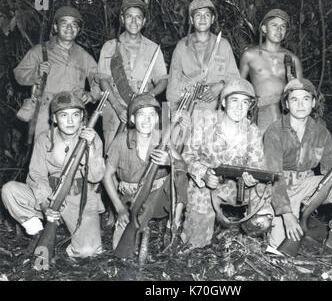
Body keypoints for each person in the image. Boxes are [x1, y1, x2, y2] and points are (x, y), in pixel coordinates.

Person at [1, 91, 105, 259]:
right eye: (64, 115)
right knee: (9, 190)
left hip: (79, 198)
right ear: (55, 119)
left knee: (88, 251)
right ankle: (38, 233)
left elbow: (96, 177)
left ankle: (71, 237)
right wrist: (45, 206)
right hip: (50, 195)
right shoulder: (44, 139)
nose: (70, 121)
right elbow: (37, 176)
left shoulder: (92, 138)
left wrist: (91, 148)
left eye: (75, 115)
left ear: (82, 118)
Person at [263, 78, 332, 254]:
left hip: (307, 185)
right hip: (278, 189)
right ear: (286, 103)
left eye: (306, 99)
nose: (300, 105)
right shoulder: (274, 131)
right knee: (278, 251)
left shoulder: (321, 132)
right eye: (294, 99)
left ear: (313, 103)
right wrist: (287, 215)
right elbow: (273, 176)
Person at [181, 78, 273, 249]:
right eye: (234, 100)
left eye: (245, 102)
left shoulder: (252, 132)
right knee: (195, 243)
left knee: (263, 213)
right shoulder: (205, 123)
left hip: (237, 187)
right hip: (205, 186)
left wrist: (252, 180)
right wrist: (204, 173)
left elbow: (257, 166)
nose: (240, 107)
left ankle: (248, 237)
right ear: (223, 102)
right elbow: (187, 156)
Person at [103, 93, 187, 250]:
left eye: (151, 115)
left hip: (159, 196)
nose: (147, 120)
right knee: (121, 248)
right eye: (141, 115)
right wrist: (120, 209)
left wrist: (170, 162)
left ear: (157, 119)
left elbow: (183, 166)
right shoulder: (121, 140)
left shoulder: (163, 138)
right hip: (132, 197)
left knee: (179, 172)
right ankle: (136, 226)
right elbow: (107, 176)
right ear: (133, 119)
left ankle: (174, 222)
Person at [14, 6, 100, 138]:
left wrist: (91, 95)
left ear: (78, 30)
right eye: (64, 23)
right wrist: (36, 74)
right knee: (43, 151)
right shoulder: (40, 51)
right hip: (46, 112)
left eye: (74, 25)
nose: (69, 28)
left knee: (72, 155)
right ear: (55, 27)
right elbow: (19, 74)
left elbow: (100, 80)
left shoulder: (84, 56)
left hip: (73, 112)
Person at [97, 0, 168, 151]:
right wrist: (117, 107)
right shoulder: (110, 47)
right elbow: (103, 80)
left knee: (142, 152)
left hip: (144, 109)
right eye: (129, 16)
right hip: (116, 108)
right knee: (112, 152)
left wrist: (150, 95)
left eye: (138, 17)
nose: (134, 21)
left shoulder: (153, 48)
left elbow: (163, 80)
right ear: (122, 19)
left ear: (144, 22)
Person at [166, 0, 240, 114]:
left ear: (212, 19)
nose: (202, 19)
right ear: (191, 19)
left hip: (216, 108)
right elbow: (173, 82)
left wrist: (220, 86)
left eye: (207, 15)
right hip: (187, 106)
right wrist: (175, 112)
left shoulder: (223, 45)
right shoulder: (182, 46)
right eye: (198, 15)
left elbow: (235, 78)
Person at [239, 9, 303, 133]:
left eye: (283, 26)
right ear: (264, 28)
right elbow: (239, 87)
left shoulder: (292, 59)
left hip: (285, 111)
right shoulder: (250, 55)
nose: (279, 30)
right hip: (261, 111)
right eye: (274, 25)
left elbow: (300, 91)